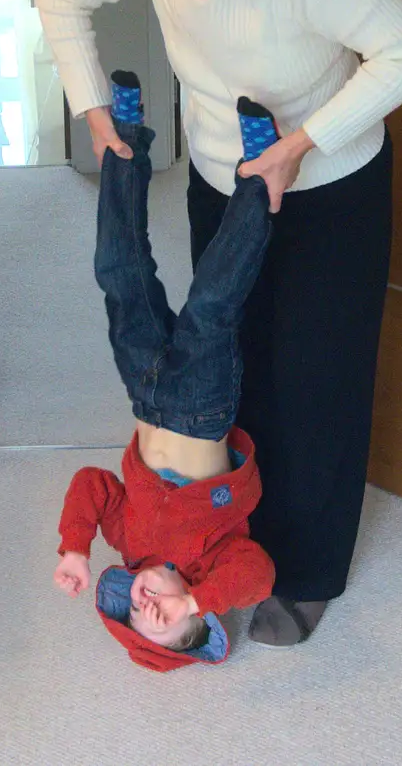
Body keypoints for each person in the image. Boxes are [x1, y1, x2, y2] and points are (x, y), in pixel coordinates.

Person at [35, 0, 402, 647]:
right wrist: (92, 104)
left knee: (315, 382)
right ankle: (230, 558)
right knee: (234, 376)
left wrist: (303, 142)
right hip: (223, 185)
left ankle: (308, 576)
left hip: (328, 187)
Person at [53, 74, 277, 671]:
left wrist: (76, 547)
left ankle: (126, 138)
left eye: (135, 617)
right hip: (201, 408)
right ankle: (261, 172)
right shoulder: (217, 562)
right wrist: (198, 597)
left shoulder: (129, 543)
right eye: (170, 623)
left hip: (143, 390)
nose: (149, 611)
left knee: (117, 270)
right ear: (201, 615)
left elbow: (91, 484)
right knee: (212, 301)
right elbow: (259, 576)